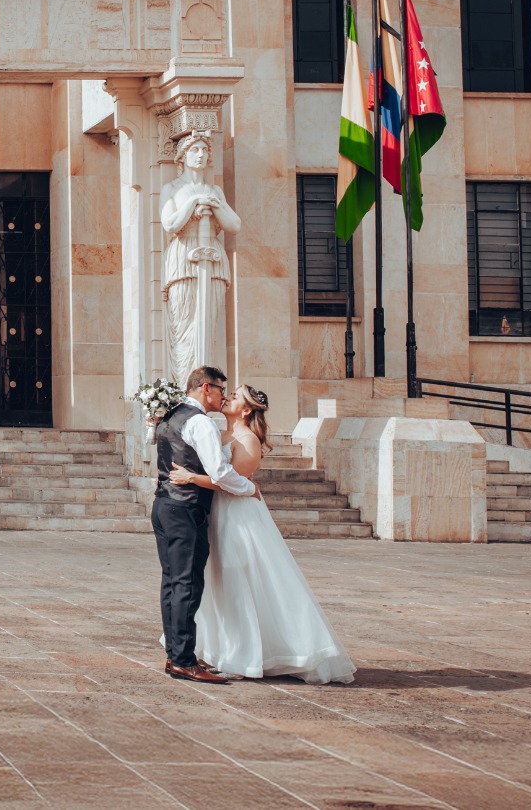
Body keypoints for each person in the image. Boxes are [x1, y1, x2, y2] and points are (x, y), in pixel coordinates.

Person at [169, 385, 357, 684]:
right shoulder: (218, 434)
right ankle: (216, 648)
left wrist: (192, 478)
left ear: (245, 410)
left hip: (237, 516)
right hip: (214, 513)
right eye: (228, 393)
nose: (227, 397)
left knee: (238, 581)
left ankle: (243, 655)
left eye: (235, 397)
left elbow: (232, 482)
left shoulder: (248, 440)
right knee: (217, 581)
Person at [151, 365, 259, 684]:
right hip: (186, 508)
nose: (223, 396)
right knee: (187, 583)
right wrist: (249, 488)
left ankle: (178, 654)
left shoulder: (170, 416)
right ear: (205, 389)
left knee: (172, 582)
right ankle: (183, 660)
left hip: (163, 505)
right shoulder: (201, 422)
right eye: (221, 390)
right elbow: (220, 472)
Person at [160, 132, 240, 385]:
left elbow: (234, 224)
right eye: (195, 150)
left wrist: (214, 204)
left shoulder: (214, 190)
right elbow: (170, 224)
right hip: (184, 256)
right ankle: (185, 389)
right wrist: (193, 202)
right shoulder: (171, 189)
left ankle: (206, 387)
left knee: (207, 326)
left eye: (205, 150)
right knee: (184, 327)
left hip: (211, 258)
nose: (201, 155)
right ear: (182, 157)